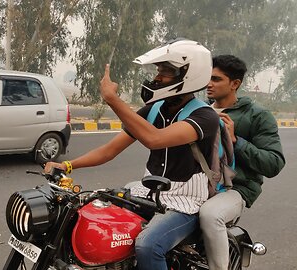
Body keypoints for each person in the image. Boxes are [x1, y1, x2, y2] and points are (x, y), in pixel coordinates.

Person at [45, 39, 219, 270]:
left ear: (188, 75)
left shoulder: (204, 116)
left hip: (184, 202)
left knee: (148, 245)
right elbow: (110, 150)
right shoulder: (154, 109)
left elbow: (154, 139)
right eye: (158, 70)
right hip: (146, 192)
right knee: (95, 220)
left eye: (166, 72)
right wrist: (67, 165)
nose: (157, 77)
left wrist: (113, 100)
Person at [200, 54, 285, 270]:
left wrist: (236, 141)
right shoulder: (200, 110)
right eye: (206, 78)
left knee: (210, 216)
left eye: (216, 79)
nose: (209, 84)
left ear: (235, 84)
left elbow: (273, 163)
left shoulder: (257, 116)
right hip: (195, 184)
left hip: (236, 188)